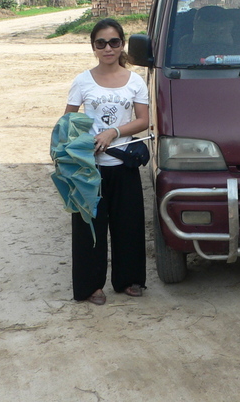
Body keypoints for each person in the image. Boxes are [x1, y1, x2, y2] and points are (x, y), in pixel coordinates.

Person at [63, 18, 149, 305]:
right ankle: (91, 286)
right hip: (90, 167)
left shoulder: (135, 81)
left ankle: (128, 280)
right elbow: (68, 121)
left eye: (114, 42)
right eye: (101, 43)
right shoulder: (82, 81)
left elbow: (144, 121)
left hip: (123, 164)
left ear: (122, 44)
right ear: (93, 47)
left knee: (129, 224)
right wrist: (80, 146)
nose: (108, 48)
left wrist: (114, 132)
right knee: (90, 227)